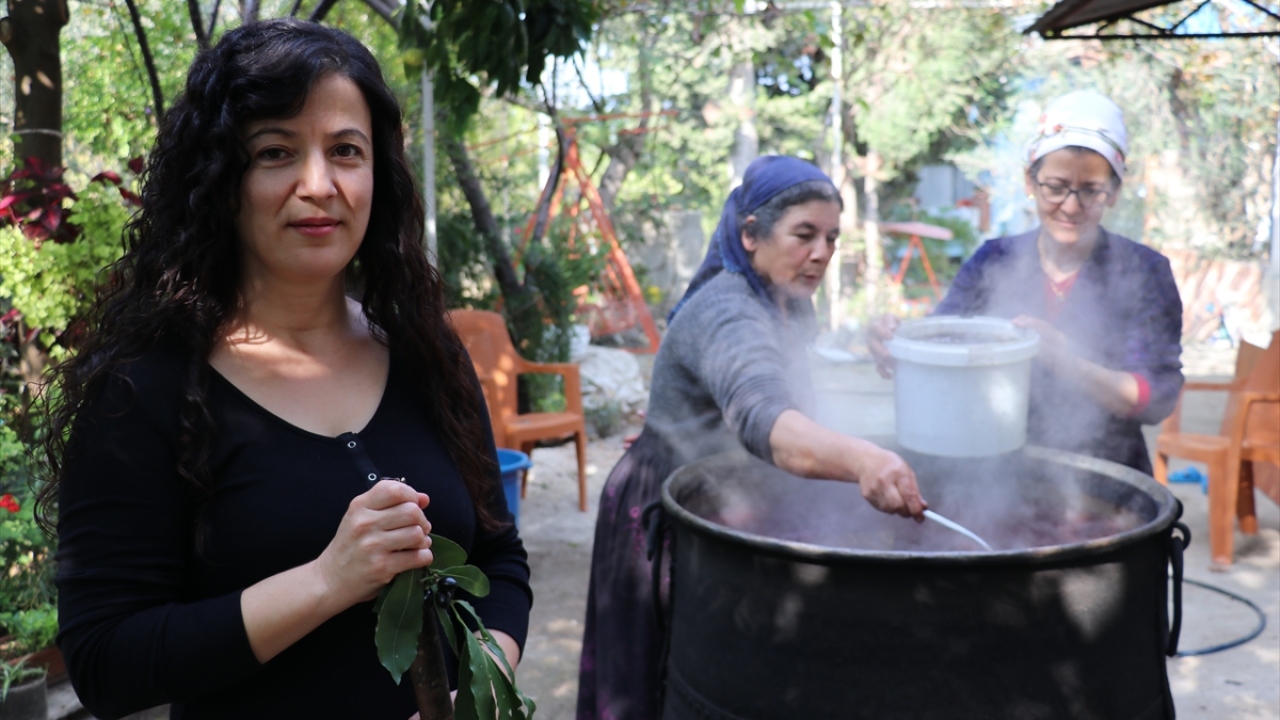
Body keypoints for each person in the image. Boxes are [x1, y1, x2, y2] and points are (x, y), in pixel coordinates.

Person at [38, 20, 530, 720]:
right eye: (276, 152)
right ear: (219, 180)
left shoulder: (429, 355)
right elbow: (106, 662)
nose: (318, 184)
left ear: (377, 175)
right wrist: (328, 581)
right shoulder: (143, 391)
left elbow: (500, 560)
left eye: (346, 151)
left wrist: (480, 684)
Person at [576, 155, 927, 720]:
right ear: (750, 234)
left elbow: (786, 381)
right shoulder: (729, 311)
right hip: (663, 507)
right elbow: (767, 419)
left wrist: (876, 340)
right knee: (656, 678)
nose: (822, 253)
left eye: (833, 238)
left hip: (720, 491)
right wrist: (862, 459)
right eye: (805, 235)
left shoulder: (783, 297)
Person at [869, 91, 1183, 473]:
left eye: (1091, 191)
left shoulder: (1143, 272)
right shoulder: (994, 261)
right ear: (1029, 181)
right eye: (1056, 186)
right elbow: (943, 350)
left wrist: (1069, 365)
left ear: (1114, 192)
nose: (1070, 206)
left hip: (1105, 476)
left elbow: (1157, 397)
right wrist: (897, 344)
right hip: (995, 475)